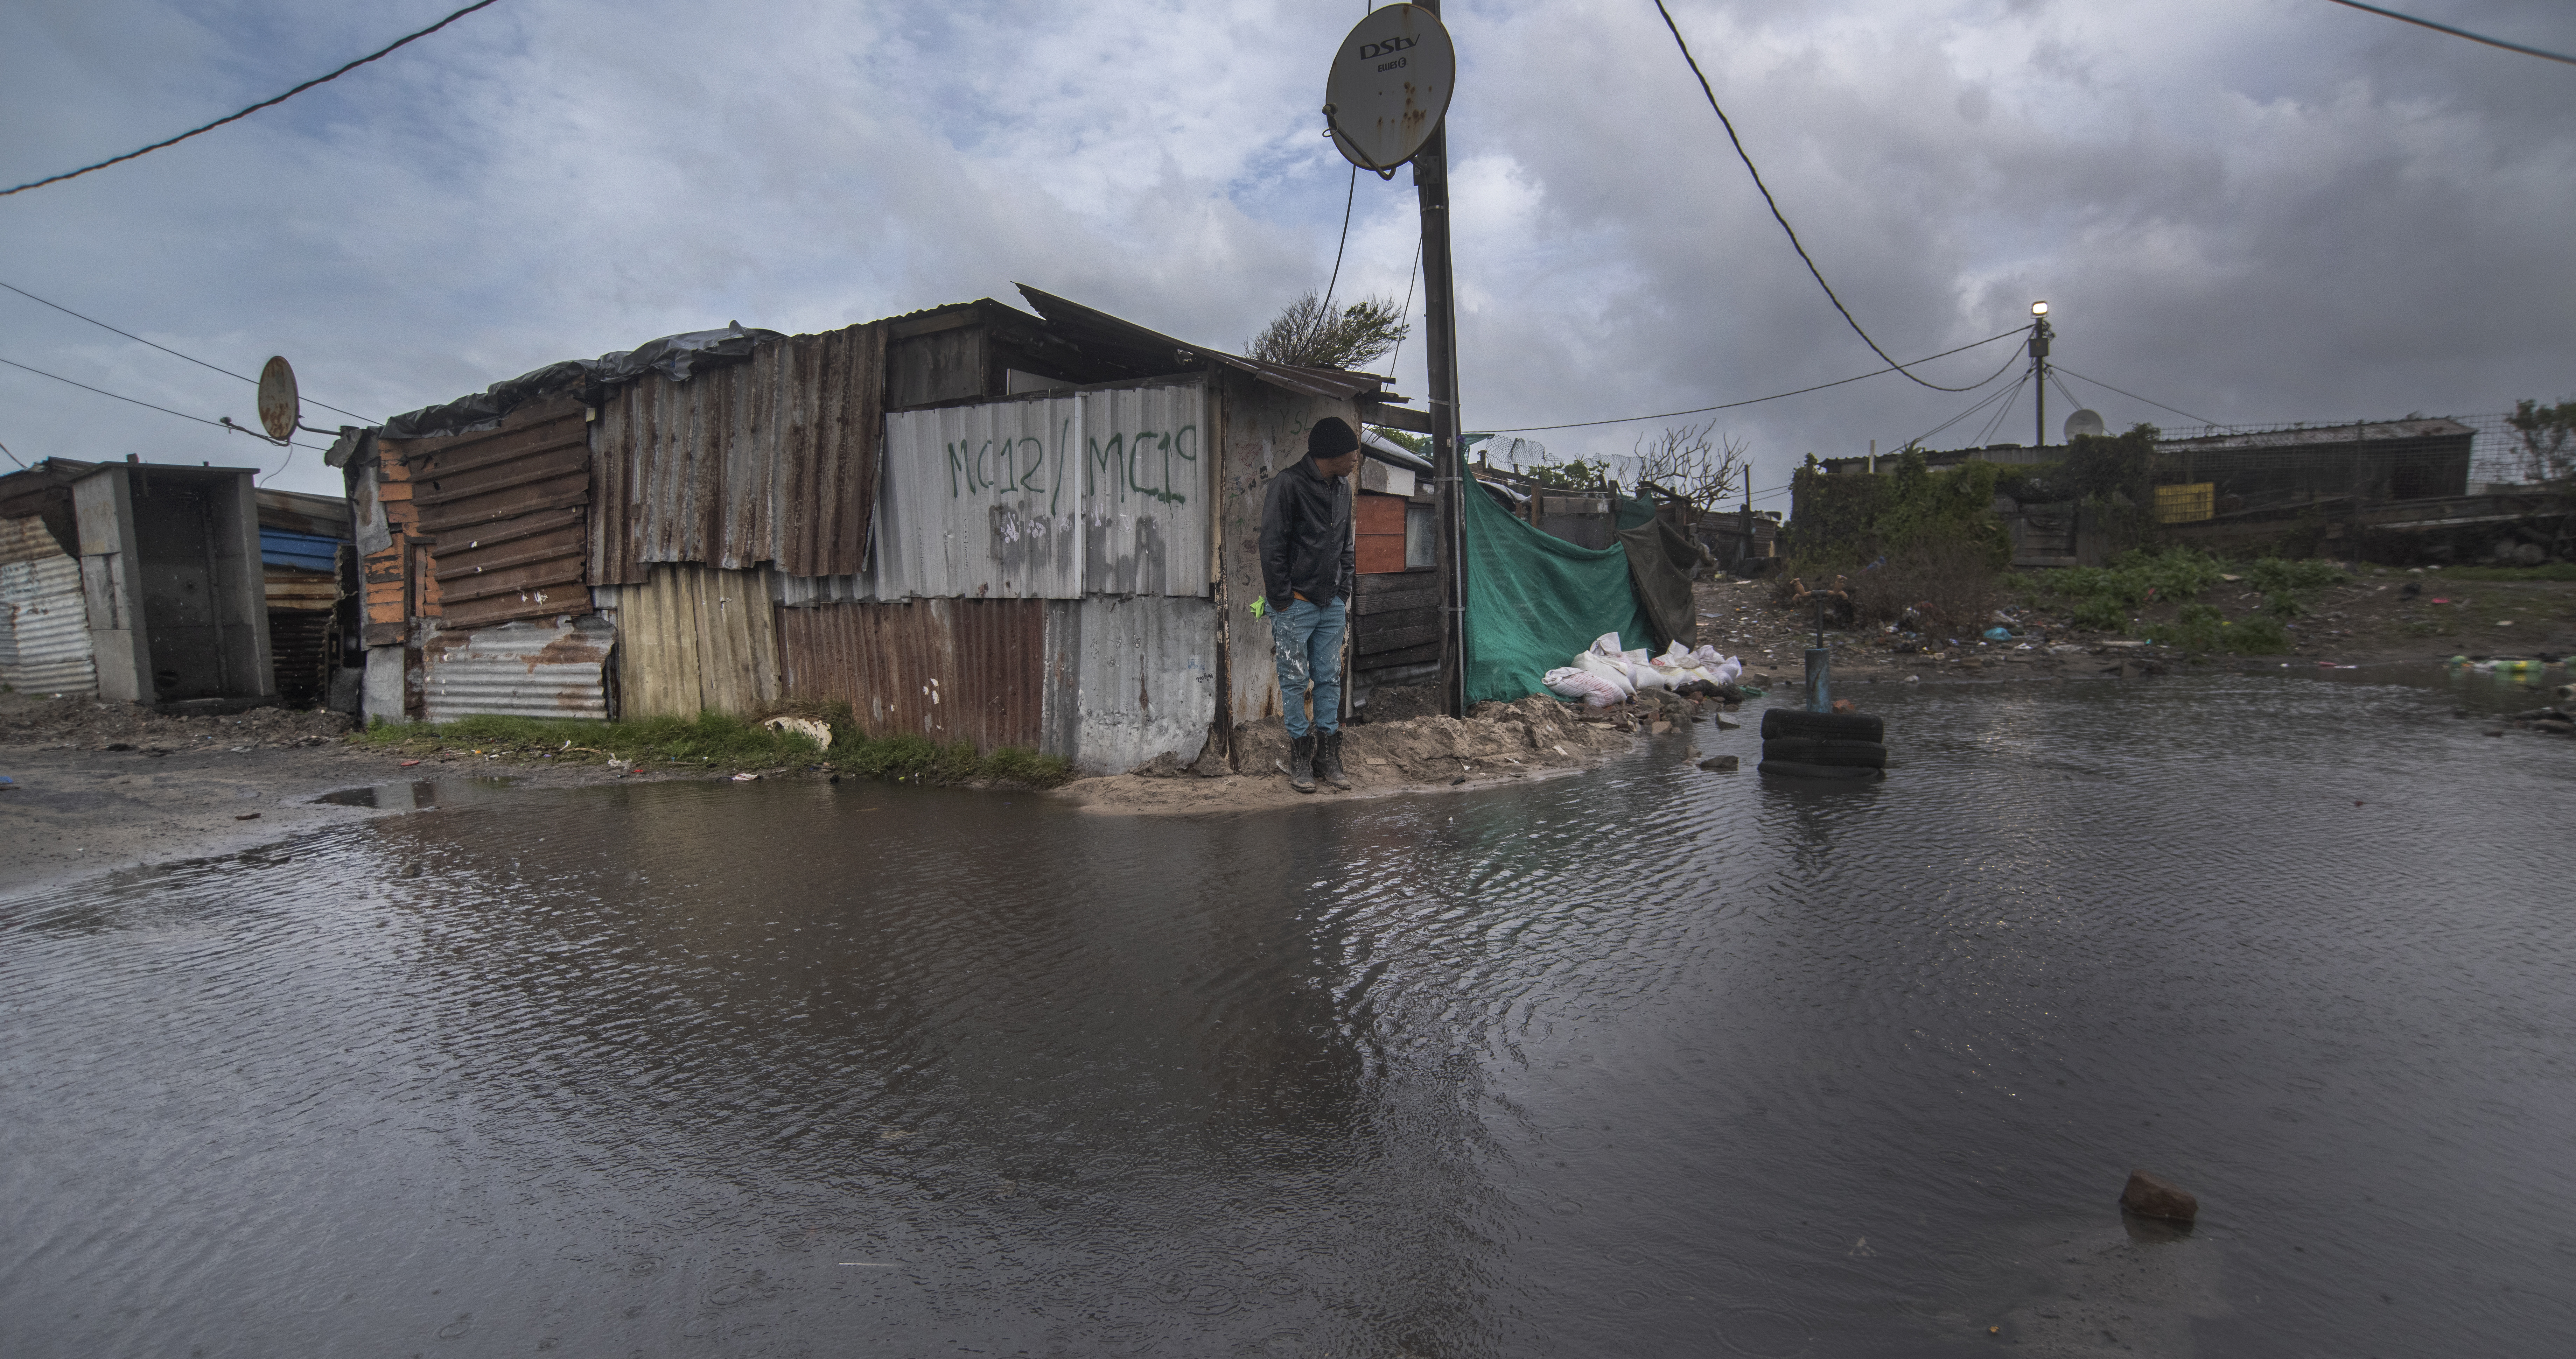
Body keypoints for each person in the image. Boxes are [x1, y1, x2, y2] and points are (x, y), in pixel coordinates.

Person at [1260, 416, 1360, 793]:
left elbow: (1345, 545)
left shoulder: (1342, 488)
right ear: (1332, 452)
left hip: (1331, 604)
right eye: (1351, 451)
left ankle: (1327, 756)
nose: (1355, 457)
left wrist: (1343, 592)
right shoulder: (1288, 484)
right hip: (1296, 605)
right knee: (1294, 680)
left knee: (1329, 678)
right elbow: (1271, 547)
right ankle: (1300, 757)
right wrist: (1282, 601)